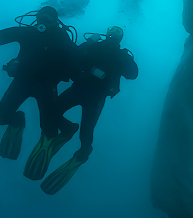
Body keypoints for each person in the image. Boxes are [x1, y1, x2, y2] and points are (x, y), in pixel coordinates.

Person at [41, 25, 138, 195]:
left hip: (96, 97)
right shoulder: (95, 46)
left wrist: (127, 58)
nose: (112, 35)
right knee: (50, 110)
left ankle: (84, 152)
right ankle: (67, 129)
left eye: (117, 34)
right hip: (79, 88)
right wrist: (89, 42)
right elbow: (74, 55)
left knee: (86, 131)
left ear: (120, 39)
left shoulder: (121, 55)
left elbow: (133, 74)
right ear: (106, 34)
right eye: (111, 32)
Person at [0, 7, 78, 173]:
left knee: (48, 129)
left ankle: (68, 128)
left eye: (49, 18)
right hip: (22, 81)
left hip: (46, 86)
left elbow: (76, 61)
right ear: (36, 18)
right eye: (41, 17)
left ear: (56, 21)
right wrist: (17, 32)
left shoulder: (61, 37)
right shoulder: (28, 32)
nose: (44, 21)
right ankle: (17, 120)